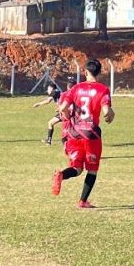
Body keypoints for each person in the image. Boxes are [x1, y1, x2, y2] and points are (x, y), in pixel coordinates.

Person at [52, 59, 115, 209]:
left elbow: (62, 107)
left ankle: (61, 174)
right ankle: (82, 201)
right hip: (91, 134)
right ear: (99, 72)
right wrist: (110, 115)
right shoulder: (103, 89)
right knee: (92, 170)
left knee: (77, 168)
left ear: (85, 72)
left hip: (74, 133)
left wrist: (67, 115)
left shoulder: (76, 88)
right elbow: (106, 110)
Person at [32, 79, 76, 145]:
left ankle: (68, 140)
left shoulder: (54, 92)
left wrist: (38, 104)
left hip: (65, 112)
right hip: (64, 111)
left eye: (48, 89)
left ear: (51, 88)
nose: (48, 90)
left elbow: (48, 101)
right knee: (51, 123)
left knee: (54, 124)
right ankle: (49, 140)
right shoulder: (58, 92)